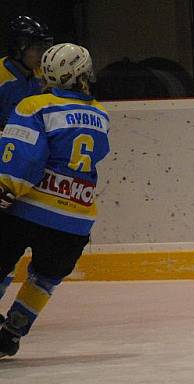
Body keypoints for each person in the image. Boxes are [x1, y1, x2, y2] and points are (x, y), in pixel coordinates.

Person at [0, 43, 110, 357]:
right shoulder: (99, 113)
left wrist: (5, 189)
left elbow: (24, 158)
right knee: (44, 279)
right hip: (75, 219)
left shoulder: (34, 106)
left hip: (26, 210)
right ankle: (11, 333)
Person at [0, 16, 54, 305]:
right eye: (37, 47)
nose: (43, 54)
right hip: (4, 167)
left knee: (8, 243)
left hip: (16, 171)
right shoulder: (0, 78)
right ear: (19, 47)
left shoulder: (40, 79)